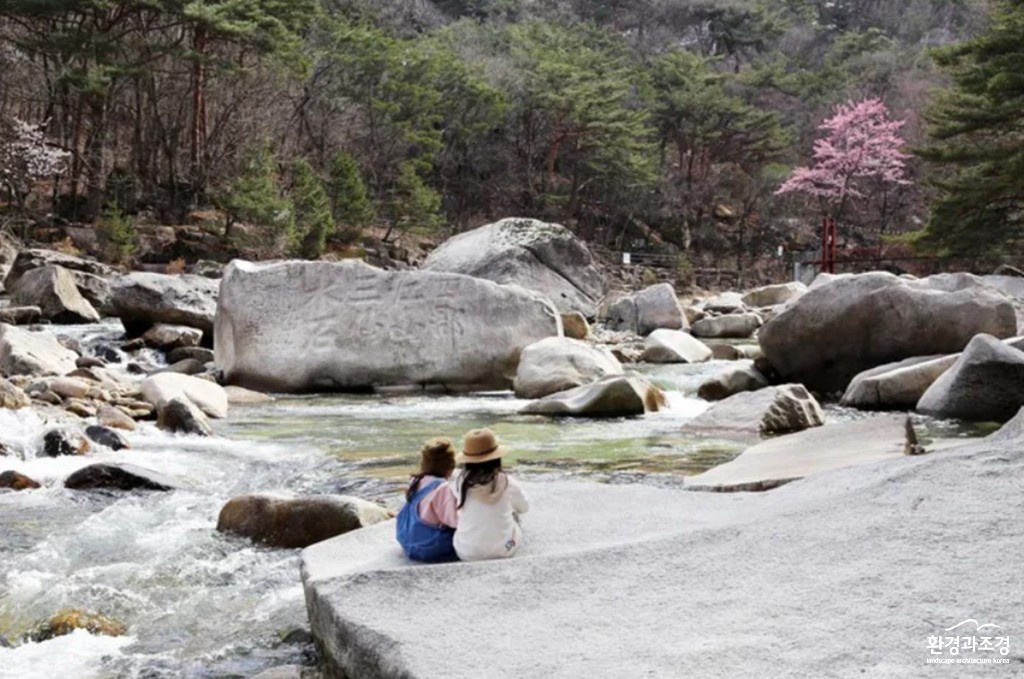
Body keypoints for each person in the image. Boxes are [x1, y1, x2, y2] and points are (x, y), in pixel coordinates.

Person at [452, 428, 529, 561]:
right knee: (515, 520)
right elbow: (524, 507)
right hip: (505, 549)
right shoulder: (506, 481)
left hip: (466, 552)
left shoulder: (459, 482)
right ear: (496, 458)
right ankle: (507, 542)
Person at [395, 438, 459, 562]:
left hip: (406, 542)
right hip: (430, 547)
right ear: (451, 467)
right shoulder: (442, 488)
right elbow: (454, 521)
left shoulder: (415, 481)